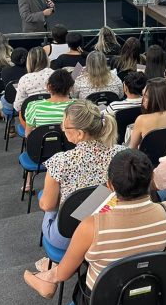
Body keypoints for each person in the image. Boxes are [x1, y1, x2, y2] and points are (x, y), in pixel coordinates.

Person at [23, 149, 166, 305]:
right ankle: (46, 276)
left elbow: (65, 273)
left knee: (67, 273)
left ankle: (46, 276)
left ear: (110, 185)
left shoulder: (91, 226)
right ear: (151, 179)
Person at [37, 101, 125, 250]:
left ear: (80, 133)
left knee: (46, 201)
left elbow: (48, 205)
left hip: (71, 236)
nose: (62, 129)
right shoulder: (122, 154)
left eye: (65, 126)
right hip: (112, 225)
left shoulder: (60, 161)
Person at [127, 78, 166, 148]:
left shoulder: (142, 120)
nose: (142, 99)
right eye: (143, 95)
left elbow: (132, 149)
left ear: (157, 99)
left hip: (148, 158)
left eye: (146, 96)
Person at [21, 69, 75, 136]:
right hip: (72, 145)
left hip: (41, 145)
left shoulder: (34, 107)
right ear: (71, 88)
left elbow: (28, 134)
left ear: (48, 86)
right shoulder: (79, 106)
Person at [13, 46, 54, 112]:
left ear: (29, 61)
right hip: (54, 114)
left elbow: (18, 106)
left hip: (33, 118)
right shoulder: (56, 74)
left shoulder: (24, 79)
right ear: (47, 59)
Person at [0, 47, 28, 116]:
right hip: (29, 102)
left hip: (11, 103)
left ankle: (11, 124)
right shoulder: (31, 71)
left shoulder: (5, 71)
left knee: (2, 98)